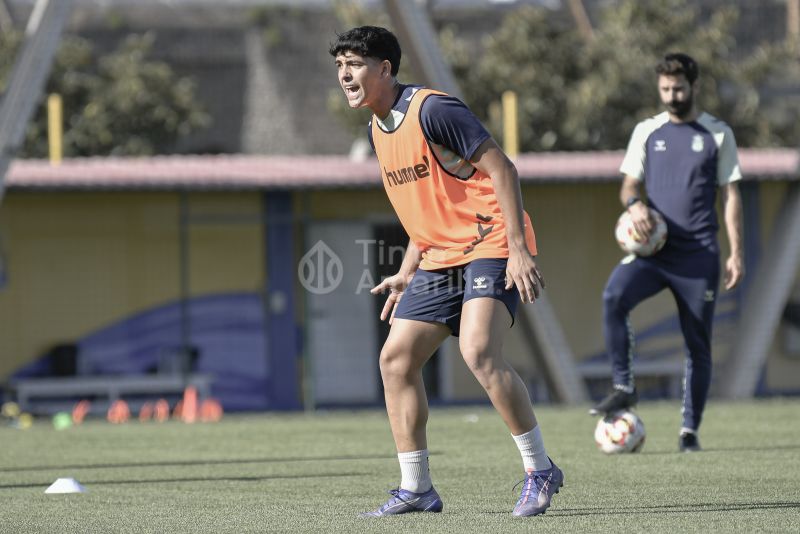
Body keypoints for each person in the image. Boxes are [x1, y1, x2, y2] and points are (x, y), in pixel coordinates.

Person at [329, 26, 563, 517]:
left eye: (354, 64)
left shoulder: (433, 109)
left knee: (478, 351)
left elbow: (503, 169)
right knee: (396, 360)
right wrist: (406, 271)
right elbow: (428, 210)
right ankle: (416, 488)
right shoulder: (376, 131)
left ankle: (539, 469)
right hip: (439, 256)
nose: (344, 75)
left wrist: (518, 250)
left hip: (491, 240)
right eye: (339, 66)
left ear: (385, 69)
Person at [590, 53, 744, 452]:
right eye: (665, 89)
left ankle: (689, 431)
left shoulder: (718, 134)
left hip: (699, 257)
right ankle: (624, 386)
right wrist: (634, 206)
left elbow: (730, 195)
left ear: (694, 86)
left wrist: (736, 252)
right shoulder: (647, 131)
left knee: (697, 344)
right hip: (654, 253)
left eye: (678, 88)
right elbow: (629, 185)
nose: (671, 95)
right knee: (613, 296)